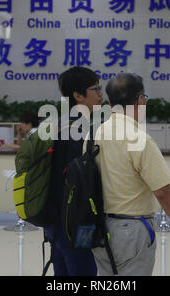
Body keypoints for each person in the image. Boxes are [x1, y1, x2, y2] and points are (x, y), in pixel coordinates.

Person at [89, 73, 170, 276]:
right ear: (140, 100)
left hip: (99, 228)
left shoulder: (94, 134)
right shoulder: (139, 139)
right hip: (132, 230)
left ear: (111, 102)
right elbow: (163, 191)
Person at [44, 66, 103, 276]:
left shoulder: (58, 125)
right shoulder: (86, 130)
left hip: (53, 220)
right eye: (95, 89)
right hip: (75, 222)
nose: (100, 95)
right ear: (78, 95)